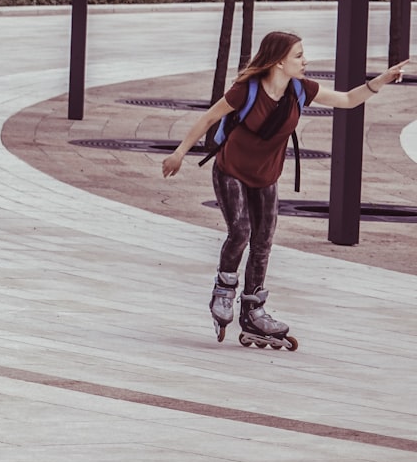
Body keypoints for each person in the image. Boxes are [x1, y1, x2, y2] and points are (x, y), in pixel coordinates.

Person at [162, 30, 408, 348]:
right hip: (231, 171)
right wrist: (179, 152)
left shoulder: (301, 90)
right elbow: (210, 118)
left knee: (263, 241)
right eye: (298, 56)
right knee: (241, 231)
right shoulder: (246, 90)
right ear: (279, 62)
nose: (305, 61)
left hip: (266, 176)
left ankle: (253, 310)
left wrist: (381, 80)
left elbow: (347, 100)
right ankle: (224, 290)